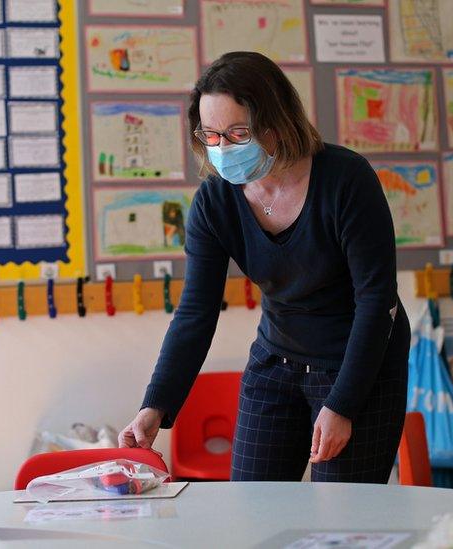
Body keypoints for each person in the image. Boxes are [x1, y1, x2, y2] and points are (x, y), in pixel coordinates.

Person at [118, 52, 410, 483]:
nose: (223, 148)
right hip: (277, 358)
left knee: (344, 518)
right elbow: (195, 312)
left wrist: (343, 404)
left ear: (276, 124)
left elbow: (376, 301)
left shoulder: (346, 180)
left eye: (237, 133)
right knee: (254, 507)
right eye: (211, 135)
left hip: (357, 361)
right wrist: (154, 406)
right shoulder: (215, 203)